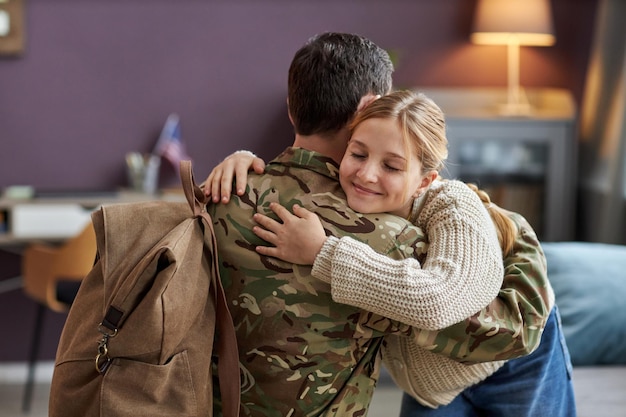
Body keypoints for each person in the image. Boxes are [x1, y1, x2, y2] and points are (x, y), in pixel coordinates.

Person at [206, 90, 576, 416]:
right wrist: (243, 161)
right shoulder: (351, 188)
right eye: (358, 153)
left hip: (512, 364)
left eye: (391, 166)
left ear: (425, 180)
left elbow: (437, 300)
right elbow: (298, 167)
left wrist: (324, 252)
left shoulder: (452, 207)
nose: (366, 174)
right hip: (432, 384)